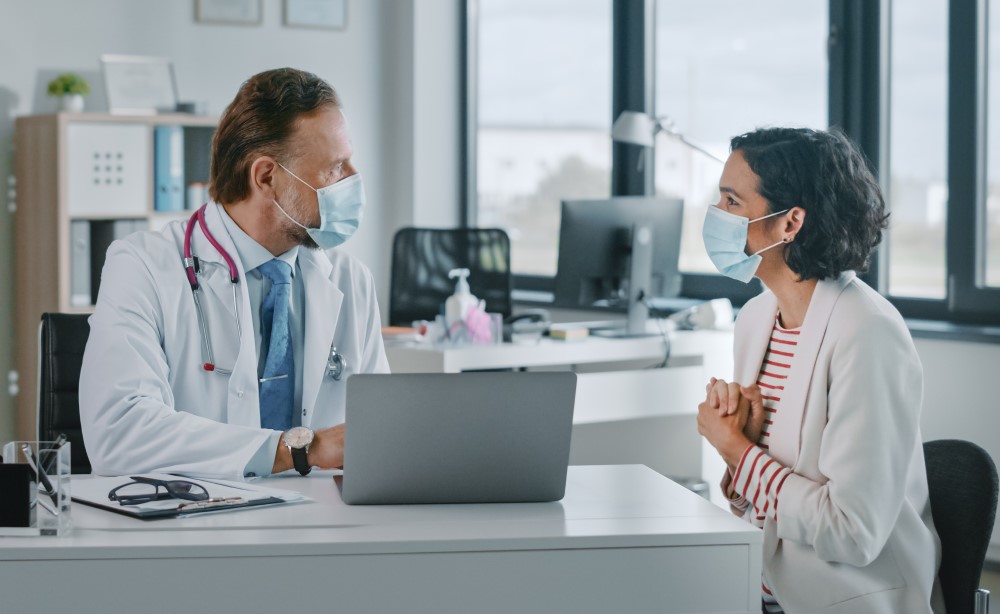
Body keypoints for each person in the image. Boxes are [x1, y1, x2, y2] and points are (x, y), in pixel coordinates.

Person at [79, 68, 389, 480]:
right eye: (334, 168)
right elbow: (120, 433)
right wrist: (300, 450)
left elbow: (383, 435)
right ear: (265, 177)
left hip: (324, 525)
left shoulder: (350, 279)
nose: (353, 180)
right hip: (194, 529)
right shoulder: (142, 266)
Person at [696, 127, 944, 613]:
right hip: (763, 589)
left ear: (789, 223)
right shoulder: (757, 318)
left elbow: (852, 532)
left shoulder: (869, 333)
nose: (716, 216)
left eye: (731, 201)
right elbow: (765, 502)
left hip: (848, 599)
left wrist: (737, 450)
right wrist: (738, 454)